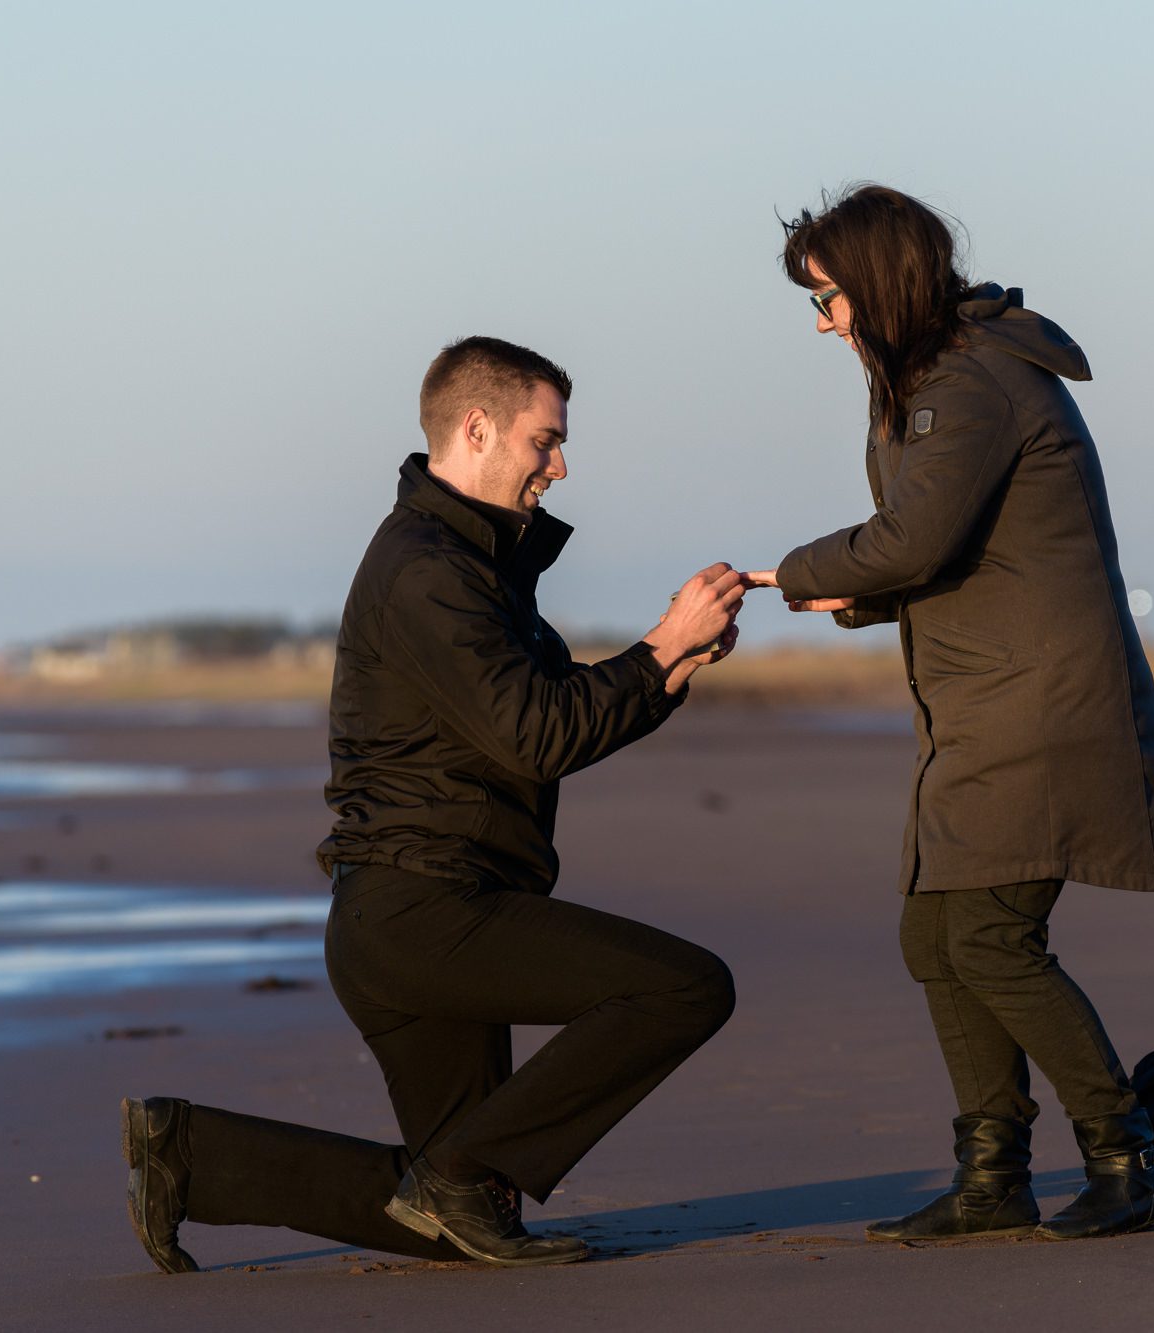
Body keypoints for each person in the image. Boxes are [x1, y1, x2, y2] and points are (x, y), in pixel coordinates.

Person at [121, 336, 744, 1271]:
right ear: (478, 426)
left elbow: (546, 722)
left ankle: (193, 1156)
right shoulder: (429, 569)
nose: (560, 465)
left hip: (410, 912)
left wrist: (670, 669)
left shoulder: (472, 566)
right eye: (546, 440)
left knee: (455, 1209)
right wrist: (656, 648)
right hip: (425, 910)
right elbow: (536, 731)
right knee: (684, 987)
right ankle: (447, 1175)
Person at [744, 185, 1154, 1242]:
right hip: (987, 699)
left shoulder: (967, 378)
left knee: (991, 937)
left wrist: (790, 575)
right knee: (935, 936)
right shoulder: (938, 373)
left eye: (826, 300)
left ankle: (1123, 1156)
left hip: (1034, 706)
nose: (824, 325)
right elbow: (941, 544)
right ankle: (991, 1172)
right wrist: (850, 592)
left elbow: (912, 537)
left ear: (877, 284)